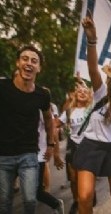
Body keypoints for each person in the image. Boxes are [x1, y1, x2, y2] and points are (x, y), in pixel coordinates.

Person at [72, 12, 111, 214]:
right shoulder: (102, 94)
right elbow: (93, 69)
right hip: (91, 147)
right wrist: (92, 40)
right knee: (84, 197)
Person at [0, 45, 54, 214]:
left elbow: (48, 119)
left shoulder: (43, 94)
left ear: (39, 68)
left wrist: (51, 144)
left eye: (34, 61)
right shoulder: (2, 87)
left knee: (30, 199)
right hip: (3, 154)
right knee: (4, 200)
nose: (29, 63)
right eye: (25, 59)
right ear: (18, 63)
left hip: (29, 154)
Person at [55, 81, 93, 214]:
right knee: (73, 178)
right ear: (75, 95)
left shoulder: (92, 109)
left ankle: (86, 198)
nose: (82, 92)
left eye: (85, 91)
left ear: (89, 95)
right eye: (79, 91)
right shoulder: (69, 111)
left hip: (88, 146)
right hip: (72, 146)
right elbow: (55, 124)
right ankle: (76, 200)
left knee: (86, 177)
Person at [37, 101, 65, 213]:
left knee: (36, 192)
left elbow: (53, 130)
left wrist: (56, 154)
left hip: (39, 154)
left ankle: (56, 203)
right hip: (16, 153)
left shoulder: (42, 108)